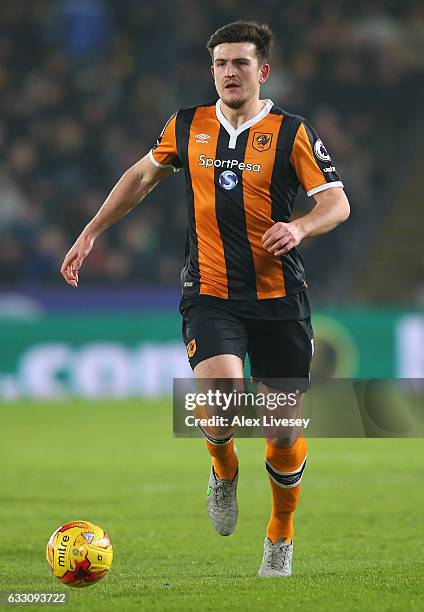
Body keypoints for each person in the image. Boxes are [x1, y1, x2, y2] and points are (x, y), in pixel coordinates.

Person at [61, 20, 350, 577]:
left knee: (283, 428)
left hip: (280, 297)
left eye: (240, 63)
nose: (228, 72)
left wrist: (301, 228)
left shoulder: (292, 132)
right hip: (209, 293)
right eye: (220, 63)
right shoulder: (187, 125)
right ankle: (223, 469)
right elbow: (142, 176)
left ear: (261, 71)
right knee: (220, 396)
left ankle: (280, 534)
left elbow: (337, 203)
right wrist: (91, 231)